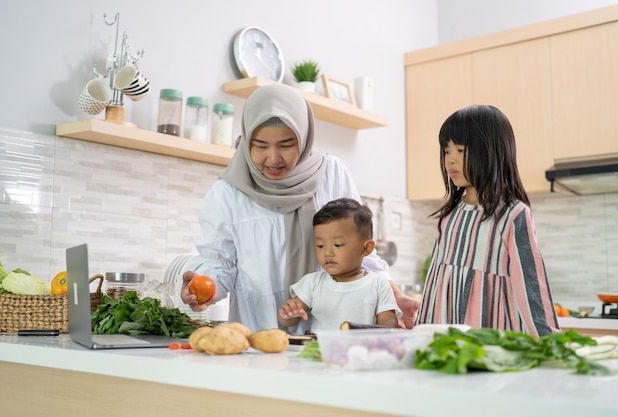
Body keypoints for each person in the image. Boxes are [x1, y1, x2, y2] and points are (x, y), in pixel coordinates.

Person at [179, 84, 418, 332]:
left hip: (328, 335)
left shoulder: (331, 173)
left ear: (303, 138)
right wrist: (203, 288)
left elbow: (358, 249)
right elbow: (220, 266)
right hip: (259, 334)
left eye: (286, 144)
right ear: (246, 141)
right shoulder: (227, 193)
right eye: (260, 146)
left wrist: (395, 296)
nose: (273, 158)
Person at [416, 104, 559, 337]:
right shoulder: (449, 216)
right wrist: (419, 333)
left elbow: (530, 283)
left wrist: (549, 340)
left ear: (490, 152)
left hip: (492, 340)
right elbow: (434, 280)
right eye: (446, 151)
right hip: (447, 342)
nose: (450, 160)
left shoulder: (513, 215)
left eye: (460, 150)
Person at [278, 198, 401, 332]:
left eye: (337, 245)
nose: (327, 253)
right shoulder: (312, 283)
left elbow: (388, 325)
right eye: (320, 246)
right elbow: (289, 321)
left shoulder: (379, 285)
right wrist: (288, 313)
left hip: (362, 351)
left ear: (366, 248)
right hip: (321, 352)